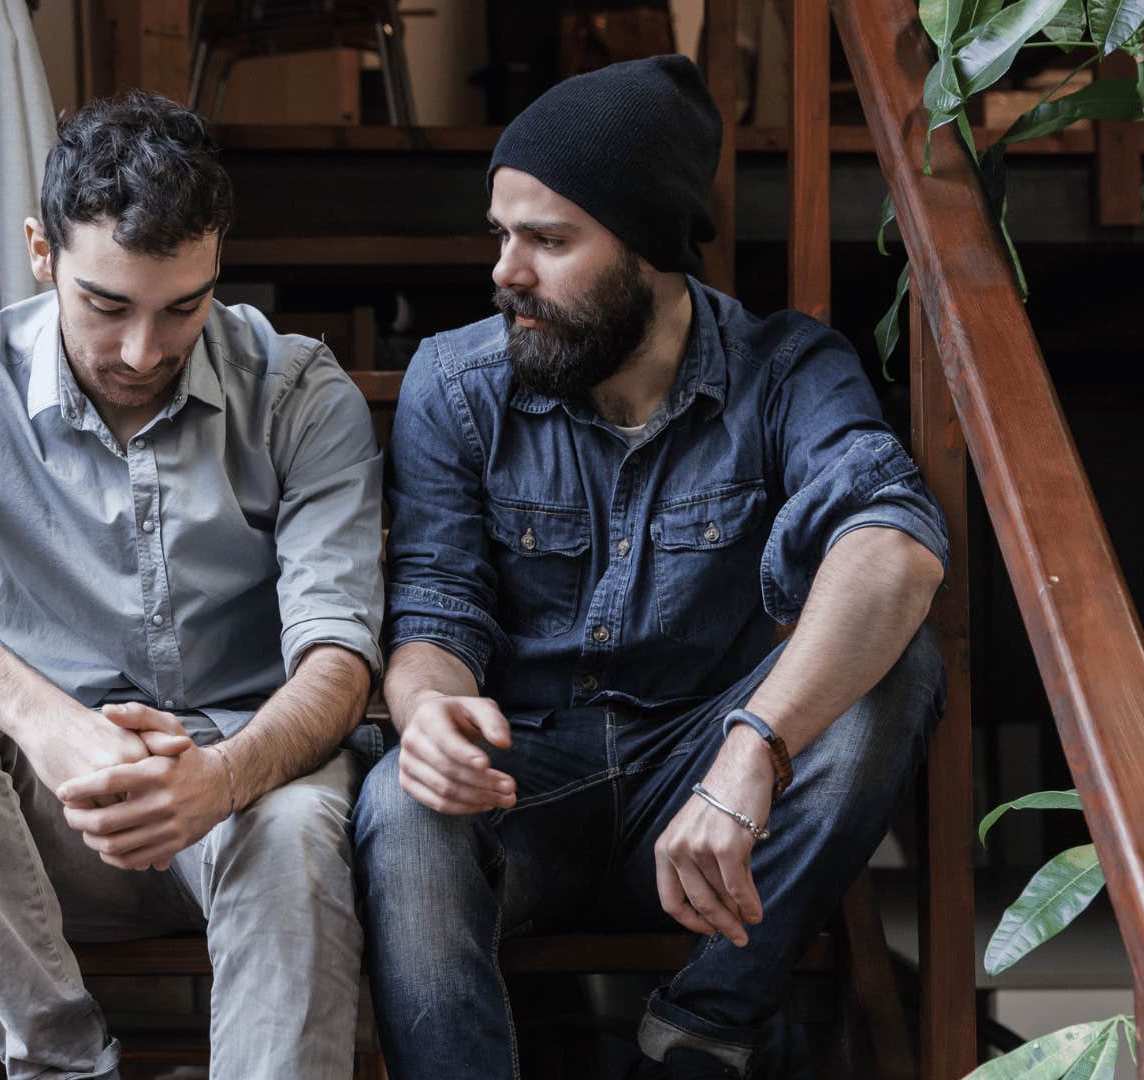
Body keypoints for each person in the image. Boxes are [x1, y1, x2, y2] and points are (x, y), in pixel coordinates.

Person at [353, 56, 948, 1079]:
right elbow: (434, 613)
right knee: (401, 806)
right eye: (505, 234)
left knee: (898, 661)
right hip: (521, 785)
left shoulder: (785, 371)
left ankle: (702, 1033)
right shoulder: (457, 383)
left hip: (706, 787)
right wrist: (429, 711)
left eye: (547, 240)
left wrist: (751, 753)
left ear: (653, 251)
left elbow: (892, 547)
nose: (507, 272)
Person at [0, 90, 383, 1080]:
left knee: (295, 832)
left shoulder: (299, 391)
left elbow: (339, 660)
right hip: (44, 817)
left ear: (218, 264)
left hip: (248, 792)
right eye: (107, 304)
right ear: (43, 251)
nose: (141, 352)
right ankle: (67, 1070)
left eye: (183, 309)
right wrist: (50, 726)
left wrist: (225, 776)